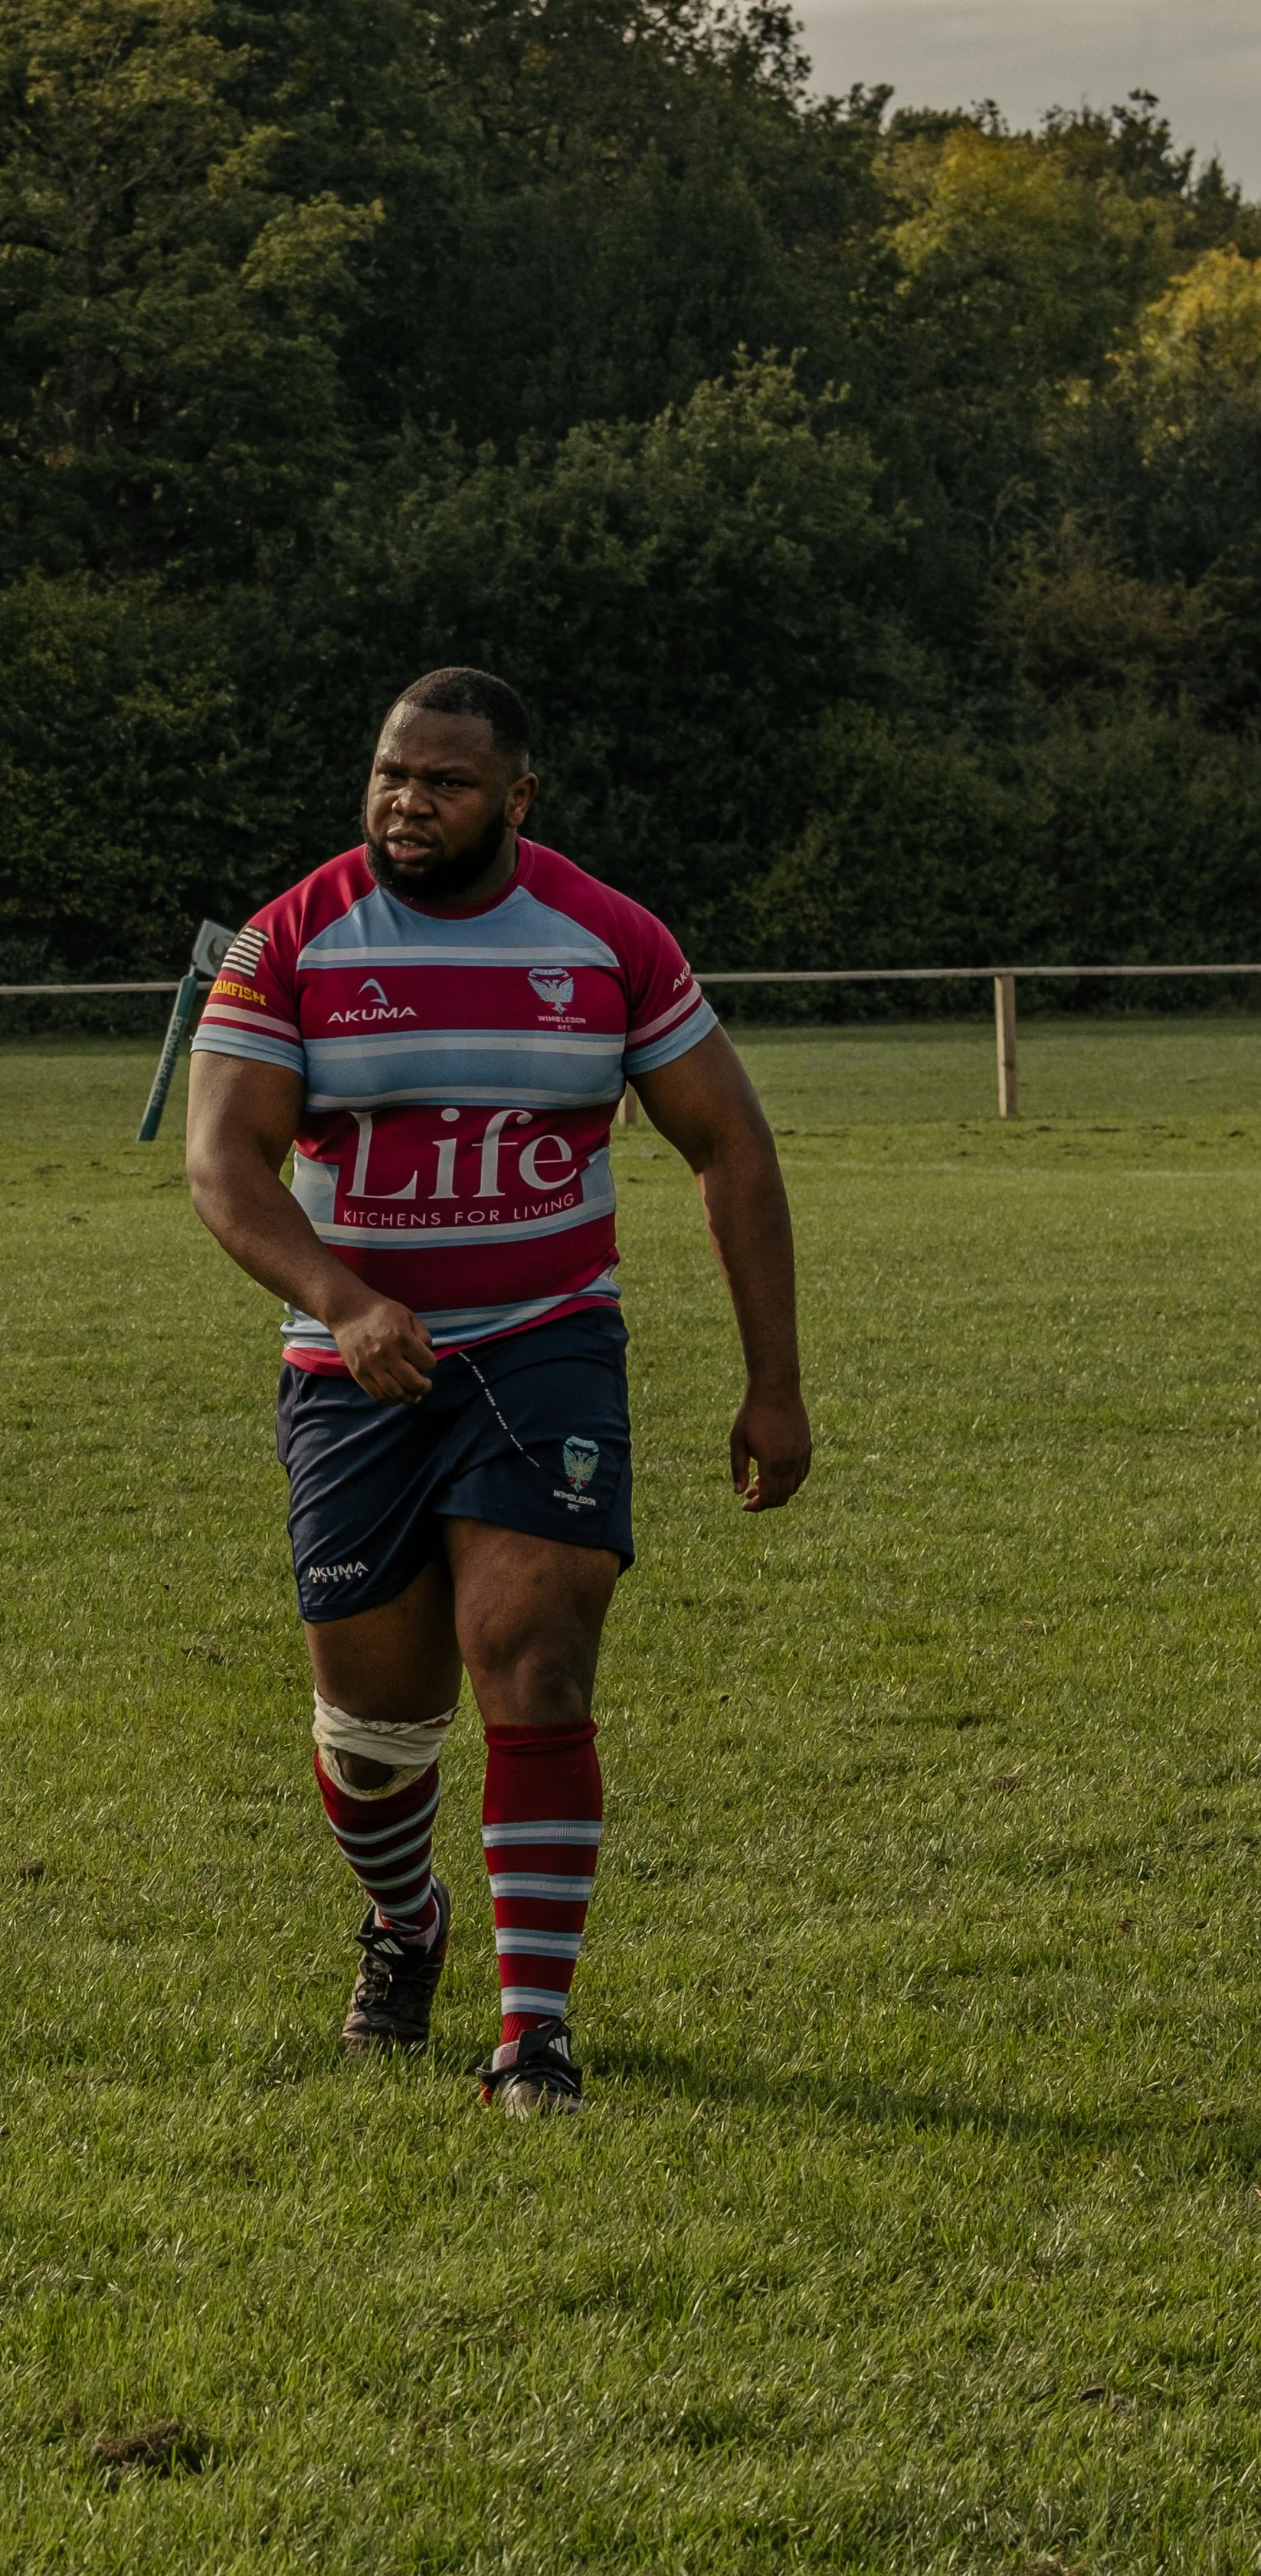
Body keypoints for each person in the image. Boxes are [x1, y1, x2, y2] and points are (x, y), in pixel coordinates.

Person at [185, 667, 811, 2114]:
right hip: (356, 1374)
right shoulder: (292, 938)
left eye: (448, 781)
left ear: (517, 799)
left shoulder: (609, 940)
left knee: (531, 1657)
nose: (410, 801)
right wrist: (343, 1302)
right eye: (394, 773)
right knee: (375, 1726)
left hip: (546, 1345)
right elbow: (225, 1165)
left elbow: (731, 1146)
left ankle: (535, 2030)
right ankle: (406, 1924)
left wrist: (773, 1384)